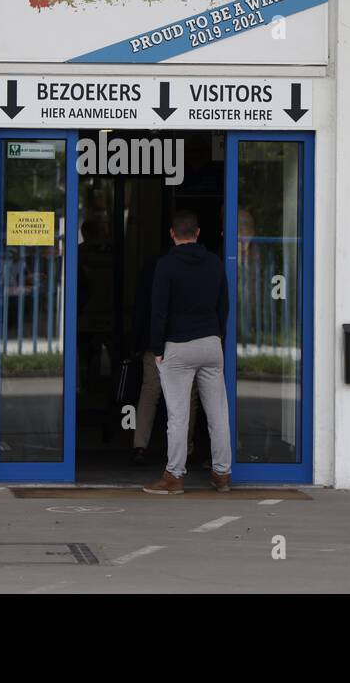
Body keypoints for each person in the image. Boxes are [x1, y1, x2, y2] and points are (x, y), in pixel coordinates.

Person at [144, 210, 232, 494]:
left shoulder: (166, 265)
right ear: (197, 233)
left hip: (178, 346)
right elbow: (223, 306)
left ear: (172, 234)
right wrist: (218, 336)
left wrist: (157, 347)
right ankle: (221, 474)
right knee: (218, 412)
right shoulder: (215, 263)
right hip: (210, 343)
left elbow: (159, 310)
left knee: (179, 415)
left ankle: (174, 477)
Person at [129, 249, 199, 465]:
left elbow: (141, 305)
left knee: (150, 389)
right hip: (186, 338)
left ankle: (140, 445)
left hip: (155, 340)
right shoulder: (199, 265)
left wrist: (136, 340)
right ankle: (185, 448)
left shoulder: (154, 266)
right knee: (187, 394)